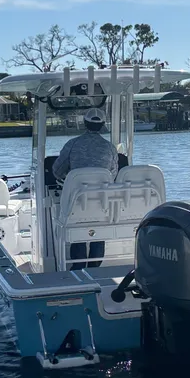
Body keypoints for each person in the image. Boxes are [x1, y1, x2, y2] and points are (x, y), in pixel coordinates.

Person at [52, 107, 118, 270]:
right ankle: (95, 266)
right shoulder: (110, 148)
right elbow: (113, 174)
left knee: (77, 222)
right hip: (102, 201)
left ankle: (79, 266)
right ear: (103, 125)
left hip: (76, 199)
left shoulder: (72, 144)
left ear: (84, 123)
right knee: (99, 223)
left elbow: (56, 170)